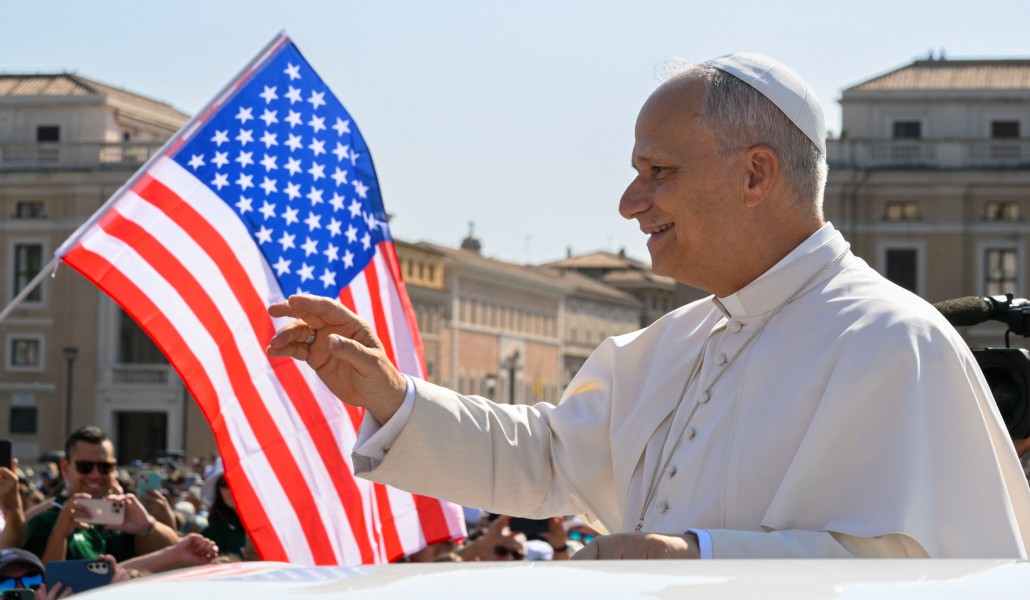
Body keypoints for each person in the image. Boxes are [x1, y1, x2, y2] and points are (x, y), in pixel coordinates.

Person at [266, 52, 1030, 559]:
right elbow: (546, 458)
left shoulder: (894, 341)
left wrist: (701, 556)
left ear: (757, 175)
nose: (631, 202)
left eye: (657, 170)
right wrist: (392, 395)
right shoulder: (676, 340)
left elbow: (937, 572)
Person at [23, 426, 180, 563]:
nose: (95, 475)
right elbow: (40, 584)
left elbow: (176, 557)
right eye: (85, 466)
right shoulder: (46, 521)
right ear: (65, 467)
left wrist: (147, 527)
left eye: (105, 467)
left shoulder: (127, 514)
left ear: (114, 468)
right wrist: (59, 535)